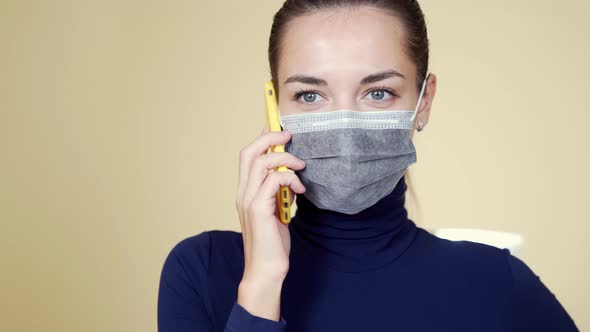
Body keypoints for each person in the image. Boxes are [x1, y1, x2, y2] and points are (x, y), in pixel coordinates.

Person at [157, 0, 579, 331]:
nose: (344, 124)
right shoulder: (204, 269)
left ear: (423, 102)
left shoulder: (495, 283)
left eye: (378, 92)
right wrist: (261, 287)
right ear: (275, 106)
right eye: (309, 95)